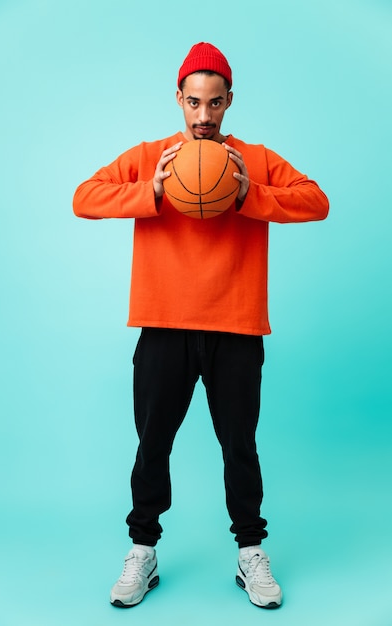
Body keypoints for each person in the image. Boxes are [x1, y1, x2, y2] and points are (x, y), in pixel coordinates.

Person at [73, 42, 329, 610]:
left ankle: (251, 553)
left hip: (237, 326)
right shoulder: (151, 156)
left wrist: (247, 194)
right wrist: (154, 192)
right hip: (162, 323)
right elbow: (83, 197)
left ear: (229, 101)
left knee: (240, 445)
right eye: (193, 102)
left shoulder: (254, 160)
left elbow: (316, 200)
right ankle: (143, 549)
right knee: (152, 444)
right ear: (179, 100)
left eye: (215, 103)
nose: (204, 115)